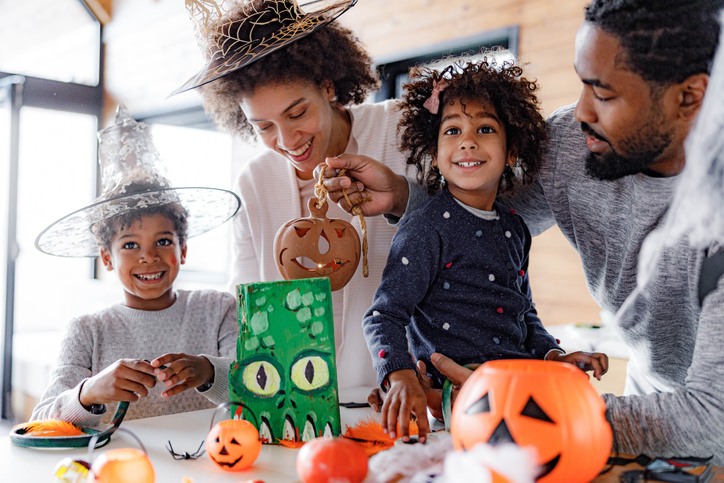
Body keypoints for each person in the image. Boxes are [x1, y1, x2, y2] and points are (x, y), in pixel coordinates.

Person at [322, 0, 724, 463]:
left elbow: (711, 418)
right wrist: (401, 195)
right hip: (644, 410)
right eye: (582, 84)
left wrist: (507, 400)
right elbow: (478, 222)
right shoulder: (575, 144)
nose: (580, 113)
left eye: (605, 94)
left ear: (689, 97)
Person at [362, 60, 609, 443]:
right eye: (453, 130)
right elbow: (383, 315)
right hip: (456, 402)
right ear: (436, 150)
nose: (468, 140)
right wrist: (401, 378)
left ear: (511, 151)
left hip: (520, 387)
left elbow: (523, 312)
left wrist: (554, 358)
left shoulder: (515, 228)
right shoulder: (425, 228)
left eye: (486, 129)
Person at [174, 0, 411, 389]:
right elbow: (248, 307)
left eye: (297, 113)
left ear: (328, 86)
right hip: (302, 399)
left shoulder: (398, 131)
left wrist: (401, 197)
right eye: (263, 126)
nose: (286, 140)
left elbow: (470, 227)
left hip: (406, 390)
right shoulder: (254, 181)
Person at [31, 106, 241, 425]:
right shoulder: (88, 331)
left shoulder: (218, 309)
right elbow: (42, 421)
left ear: (183, 250)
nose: (148, 257)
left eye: (164, 241)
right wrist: (89, 392)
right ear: (106, 258)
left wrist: (210, 372)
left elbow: (261, 389)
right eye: (130, 245)